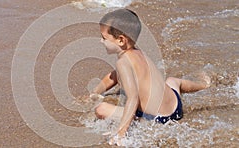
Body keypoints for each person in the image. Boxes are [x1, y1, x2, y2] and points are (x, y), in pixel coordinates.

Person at [90, 9, 210, 145]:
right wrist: (96, 92)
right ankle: (204, 85)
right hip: (176, 107)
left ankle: (125, 129)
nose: (101, 41)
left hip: (157, 120)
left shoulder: (123, 63)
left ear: (121, 40)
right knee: (171, 81)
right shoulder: (137, 52)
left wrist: (121, 132)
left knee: (101, 109)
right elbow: (113, 76)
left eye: (104, 38)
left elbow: (133, 99)